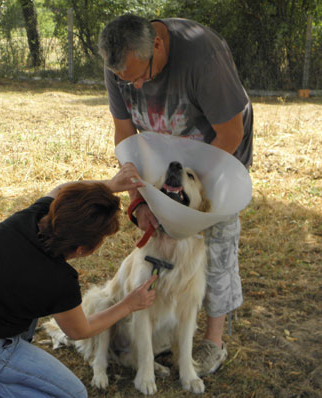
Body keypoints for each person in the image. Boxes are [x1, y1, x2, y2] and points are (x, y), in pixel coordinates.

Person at [0, 163, 157, 398]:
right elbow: (79, 331)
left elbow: (62, 189)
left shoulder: (33, 217)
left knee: (25, 302)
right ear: (83, 249)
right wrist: (128, 304)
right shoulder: (59, 281)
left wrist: (110, 185)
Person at [98, 14, 254, 376]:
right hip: (163, 162)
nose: (135, 86)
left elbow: (231, 132)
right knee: (164, 251)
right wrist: (141, 200)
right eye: (127, 80)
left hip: (217, 157)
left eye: (141, 76)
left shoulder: (203, 57)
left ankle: (212, 344)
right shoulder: (120, 62)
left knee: (215, 246)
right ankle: (162, 331)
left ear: (156, 43)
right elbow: (125, 135)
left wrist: (196, 202)